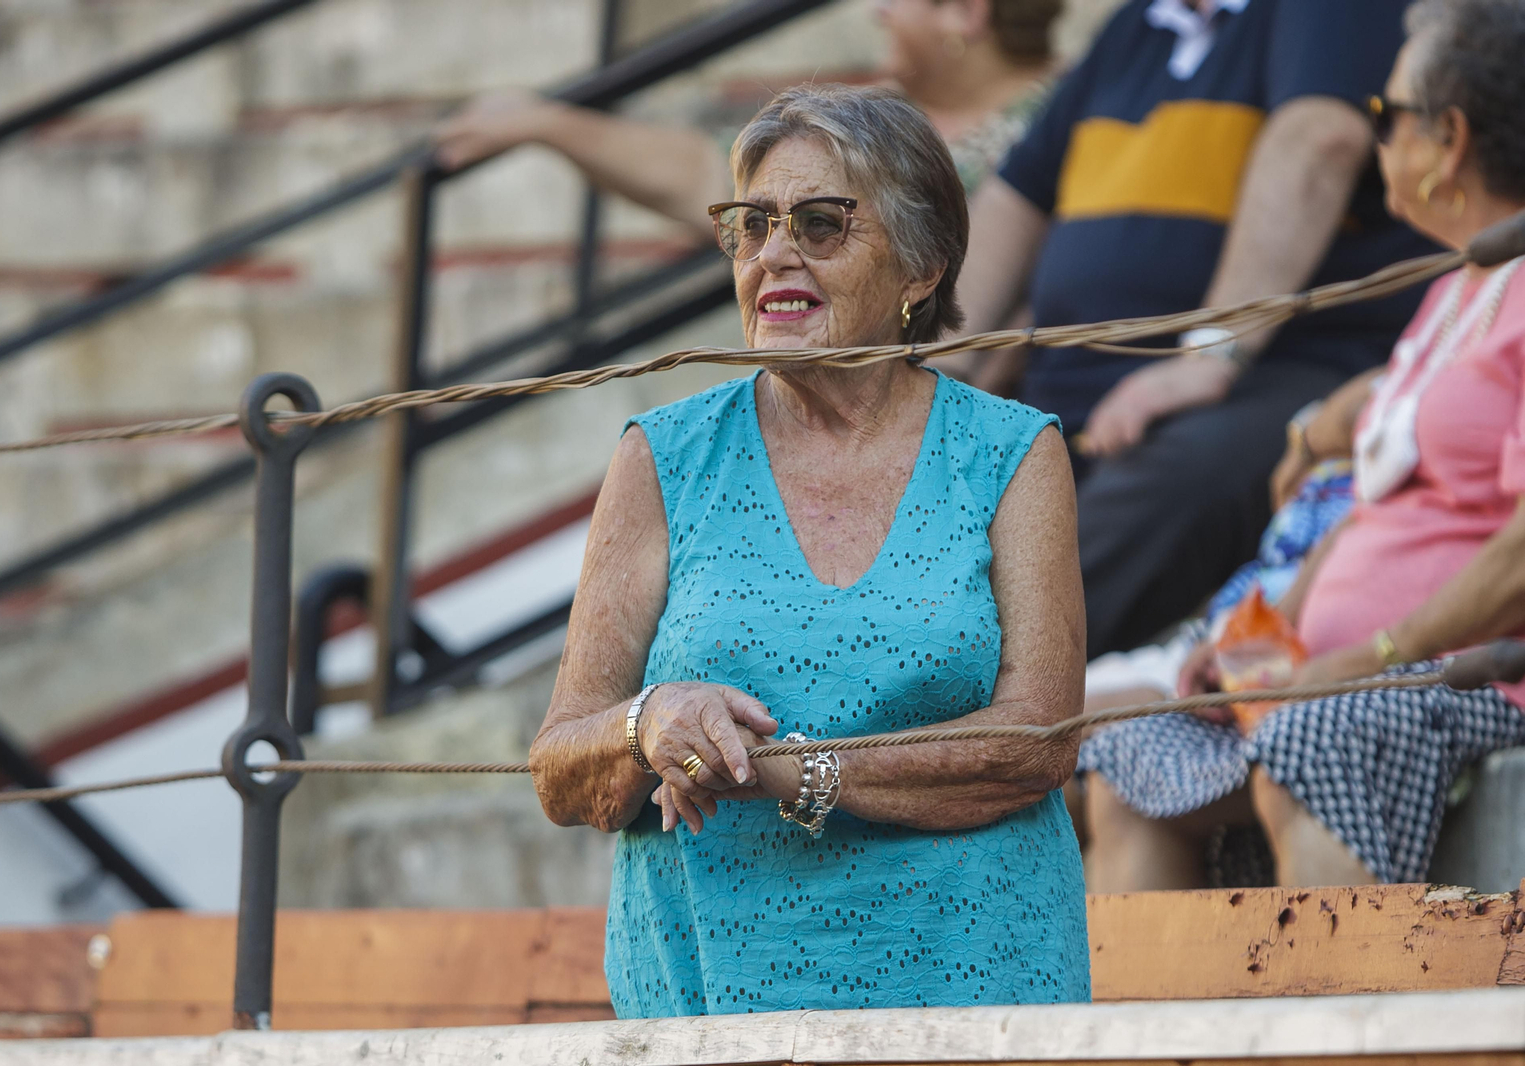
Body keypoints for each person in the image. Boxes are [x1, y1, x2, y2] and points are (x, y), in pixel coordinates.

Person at [529, 84, 1089, 1017]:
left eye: (820, 224)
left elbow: (1038, 741)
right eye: (751, 226)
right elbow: (559, 767)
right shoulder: (665, 456)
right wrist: (647, 722)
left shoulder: (1010, 451)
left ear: (920, 270)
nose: (773, 254)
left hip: (973, 982)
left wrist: (794, 769)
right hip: (711, 991)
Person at [1079, 0, 1525, 892]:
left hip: (1471, 676)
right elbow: (1379, 511)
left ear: (1449, 140)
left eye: (1386, 114)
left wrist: (1370, 657)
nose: (1376, 135)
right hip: (1353, 677)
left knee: (1308, 737)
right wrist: (1263, 639)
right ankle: (1170, 1001)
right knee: (1127, 759)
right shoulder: (1455, 294)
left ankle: (1339, 987)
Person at [954, 0, 1440, 660]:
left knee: (1162, 488)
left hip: (1275, 369)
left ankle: (949, 688)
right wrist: (940, 360)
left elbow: (1321, 139)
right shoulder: (1138, 24)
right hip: (1079, 394)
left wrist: (1212, 353)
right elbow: (1017, 197)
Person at [433, 0, 1062, 239]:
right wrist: (547, 123)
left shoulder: (1071, 115)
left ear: (965, 12)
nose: (878, 12)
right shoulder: (875, 114)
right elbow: (713, 174)